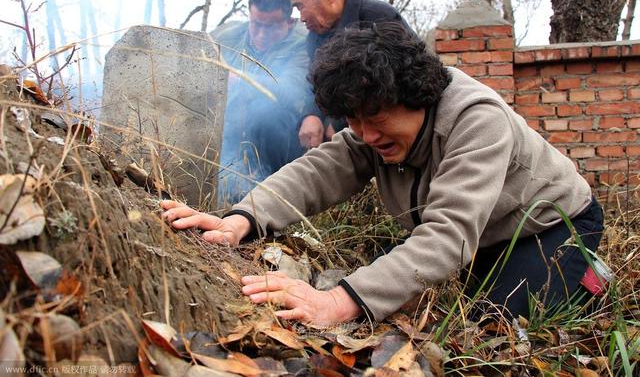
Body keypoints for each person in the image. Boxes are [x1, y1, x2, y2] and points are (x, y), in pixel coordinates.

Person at [163, 22, 603, 327]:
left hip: (551, 226)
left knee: (500, 322)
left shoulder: (477, 119)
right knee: (414, 285)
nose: (365, 134)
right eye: (353, 118)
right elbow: (318, 170)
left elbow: (448, 235)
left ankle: (590, 276)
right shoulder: (371, 129)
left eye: (374, 116)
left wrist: (338, 302)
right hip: (484, 232)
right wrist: (241, 218)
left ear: (417, 95)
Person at [289, 0, 413, 146]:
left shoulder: (378, 18)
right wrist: (311, 115)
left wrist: (340, 123)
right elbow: (316, 87)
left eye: (300, 6)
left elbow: (403, 82)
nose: (301, 18)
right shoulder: (313, 38)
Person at [211, 0, 315, 205]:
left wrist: (241, 79)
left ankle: (271, 199)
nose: (261, 34)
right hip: (233, 127)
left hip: (283, 136)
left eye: (271, 27)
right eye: (256, 24)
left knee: (268, 116)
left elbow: (290, 90)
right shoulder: (227, 37)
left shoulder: (304, 44)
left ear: (290, 22)